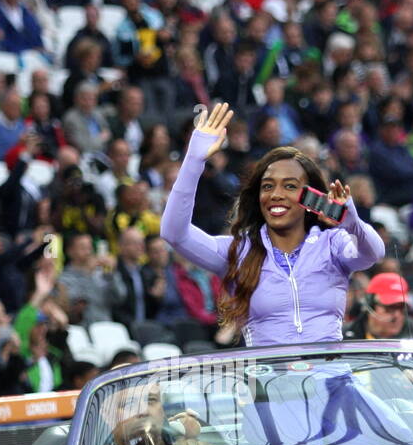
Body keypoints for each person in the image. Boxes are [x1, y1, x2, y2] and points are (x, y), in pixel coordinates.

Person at [160, 102, 385, 346]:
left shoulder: (333, 244)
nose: (276, 194)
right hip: (269, 380)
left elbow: (374, 252)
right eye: (268, 186)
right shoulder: (237, 252)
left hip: (331, 378)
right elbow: (174, 233)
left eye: (290, 186)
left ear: (310, 197)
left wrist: (350, 223)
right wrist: (194, 161)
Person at [343, 273, 413, 342]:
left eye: (401, 308)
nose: (397, 315)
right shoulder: (345, 335)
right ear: (370, 305)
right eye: (390, 308)